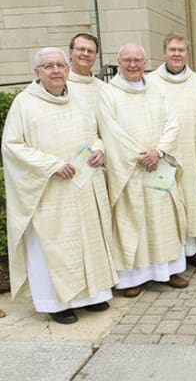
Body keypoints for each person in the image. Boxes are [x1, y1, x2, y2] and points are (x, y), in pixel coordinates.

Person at [2, 47, 118, 324]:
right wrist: (51, 165)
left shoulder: (78, 99)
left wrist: (98, 150)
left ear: (67, 70)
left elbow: (94, 134)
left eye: (60, 66)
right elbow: (12, 145)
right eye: (48, 66)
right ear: (37, 72)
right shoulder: (24, 103)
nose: (55, 71)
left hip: (82, 185)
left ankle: (92, 295)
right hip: (49, 191)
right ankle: (56, 303)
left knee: (87, 240)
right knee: (54, 246)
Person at [97, 43, 189, 298]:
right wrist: (141, 155)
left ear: (145, 61)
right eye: (127, 60)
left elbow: (172, 122)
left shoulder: (156, 90)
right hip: (130, 170)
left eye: (137, 59)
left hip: (158, 164)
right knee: (134, 222)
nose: (133, 65)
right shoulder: (109, 93)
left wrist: (158, 152)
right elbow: (111, 130)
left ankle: (168, 270)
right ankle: (132, 278)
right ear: (118, 61)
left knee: (163, 220)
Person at [147, 32, 196, 268]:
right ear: (164, 52)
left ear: (187, 53)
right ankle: (172, 251)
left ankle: (191, 249)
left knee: (191, 199)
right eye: (172, 49)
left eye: (181, 50)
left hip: (192, 149)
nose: (177, 54)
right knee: (168, 201)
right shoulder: (152, 82)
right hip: (165, 153)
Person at [66, 33, 107, 109]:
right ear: (70, 52)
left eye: (90, 51)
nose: (85, 53)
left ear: (95, 56)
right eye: (81, 49)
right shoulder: (60, 86)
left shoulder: (104, 88)